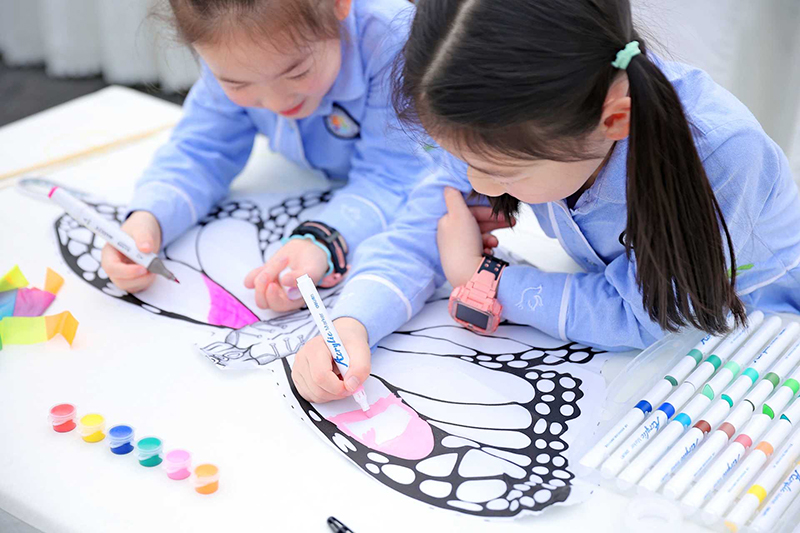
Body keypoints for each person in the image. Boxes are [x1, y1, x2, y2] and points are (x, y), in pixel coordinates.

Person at [291, 0, 800, 404]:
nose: (477, 183)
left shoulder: (720, 155)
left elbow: (649, 312)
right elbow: (426, 222)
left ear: (613, 120)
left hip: (764, 342)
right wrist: (353, 323)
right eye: (464, 161)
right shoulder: (502, 121)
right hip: (670, 350)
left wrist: (484, 279)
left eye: (500, 172)